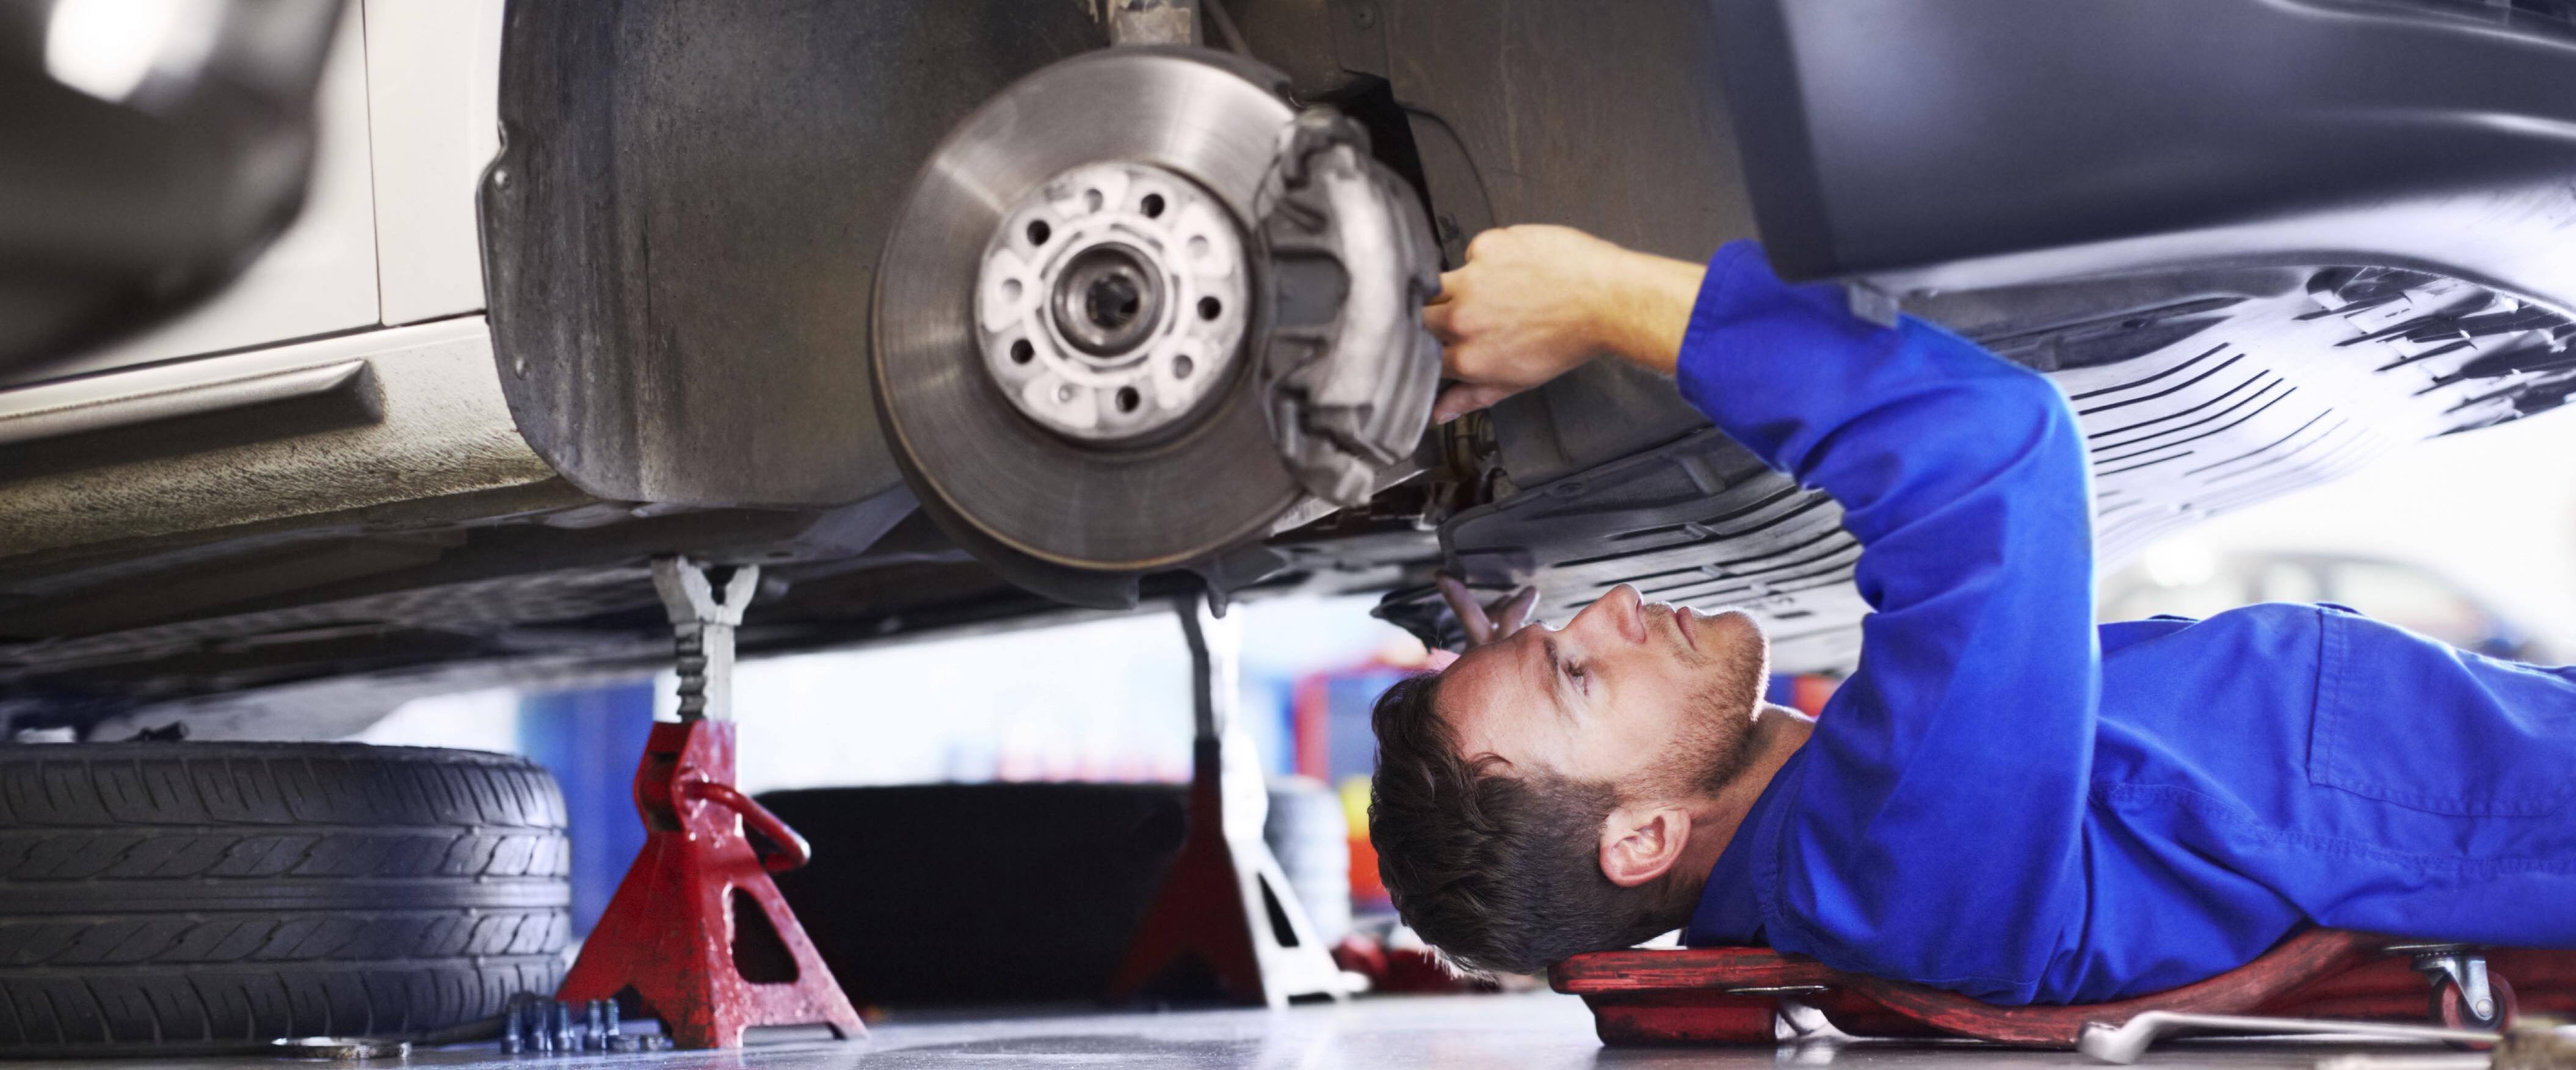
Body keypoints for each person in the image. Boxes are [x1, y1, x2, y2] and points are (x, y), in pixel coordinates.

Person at [1368, 225, 2576, 1005]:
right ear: (1639, 843)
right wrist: (1599, 295)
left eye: (1562, 632)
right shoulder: (1889, 865)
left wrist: (1517, 654)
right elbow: (1987, 453)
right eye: (1578, 675)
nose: (1615, 605)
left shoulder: (1856, 834)